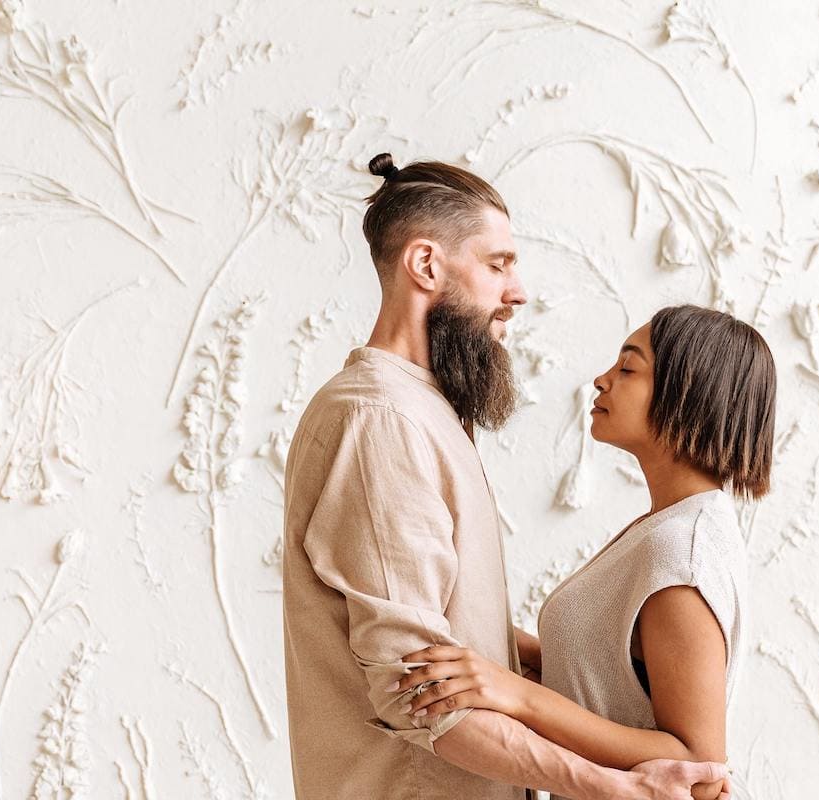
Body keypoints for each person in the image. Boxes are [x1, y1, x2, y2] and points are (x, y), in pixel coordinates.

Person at [281, 153, 730, 800]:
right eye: (498, 265)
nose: (517, 292)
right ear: (426, 264)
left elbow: (448, 638)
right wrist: (609, 787)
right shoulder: (381, 421)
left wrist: (569, 657)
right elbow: (420, 693)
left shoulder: (424, 412)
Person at [395, 306, 778, 800]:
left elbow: (695, 759)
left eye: (628, 368)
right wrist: (476, 633)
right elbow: (612, 676)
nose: (601, 380)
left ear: (689, 393)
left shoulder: (684, 550)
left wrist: (517, 695)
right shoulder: (669, 526)